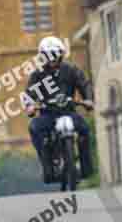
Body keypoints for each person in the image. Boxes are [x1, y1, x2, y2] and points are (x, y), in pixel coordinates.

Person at [26, 36, 94, 181]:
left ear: (61, 54)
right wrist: (30, 106)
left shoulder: (71, 69)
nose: (52, 58)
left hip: (69, 113)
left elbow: (84, 83)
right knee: (34, 127)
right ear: (42, 56)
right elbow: (30, 93)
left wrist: (88, 99)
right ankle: (47, 166)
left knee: (85, 130)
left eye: (55, 54)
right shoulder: (37, 74)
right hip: (47, 115)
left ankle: (86, 168)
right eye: (48, 55)